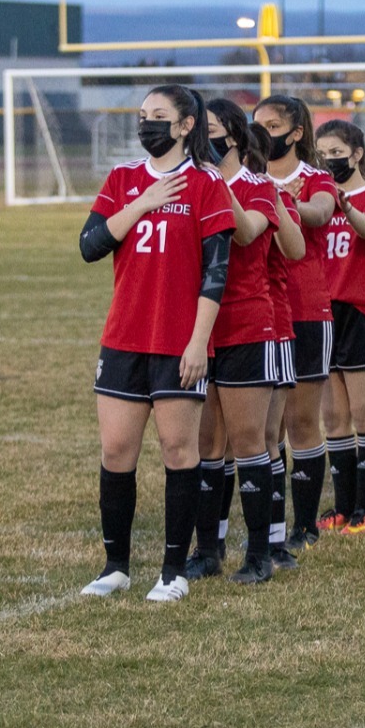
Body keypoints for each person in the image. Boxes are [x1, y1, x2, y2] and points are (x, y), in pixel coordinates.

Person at [78, 85, 236, 603]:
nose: (146, 123)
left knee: (177, 451)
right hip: (124, 337)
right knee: (117, 450)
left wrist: (198, 343)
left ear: (187, 125)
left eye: (159, 116)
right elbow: (89, 245)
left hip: (178, 343)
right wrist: (143, 203)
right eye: (142, 115)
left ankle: (173, 571)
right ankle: (115, 566)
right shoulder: (124, 179)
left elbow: (217, 273)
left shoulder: (206, 184)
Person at [185, 99, 300, 585]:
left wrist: (214, 181)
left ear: (233, 136)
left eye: (209, 132)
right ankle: (207, 550)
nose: (200, 141)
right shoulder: (189, 185)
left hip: (252, 324)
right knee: (208, 444)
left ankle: (260, 554)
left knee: (252, 442)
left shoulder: (257, 186)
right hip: (201, 328)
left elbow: (249, 232)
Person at [254, 96, 338, 548]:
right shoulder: (248, 179)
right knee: (266, 429)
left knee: (302, 421)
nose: (264, 132)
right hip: (260, 313)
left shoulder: (317, 178)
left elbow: (321, 212)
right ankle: (268, 528)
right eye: (257, 124)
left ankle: (304, 526)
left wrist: (284, 205)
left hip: (306, 310)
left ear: (297, 132)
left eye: (273, 124)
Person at [314, 119, 365, 535]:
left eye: (335, 152)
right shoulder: (319, 196)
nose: (328, 161)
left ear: (357, 153)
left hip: (363, 313)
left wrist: (346, 206)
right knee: (334, 419)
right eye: (322, 154)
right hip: (326, 314)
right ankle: (342, 506)